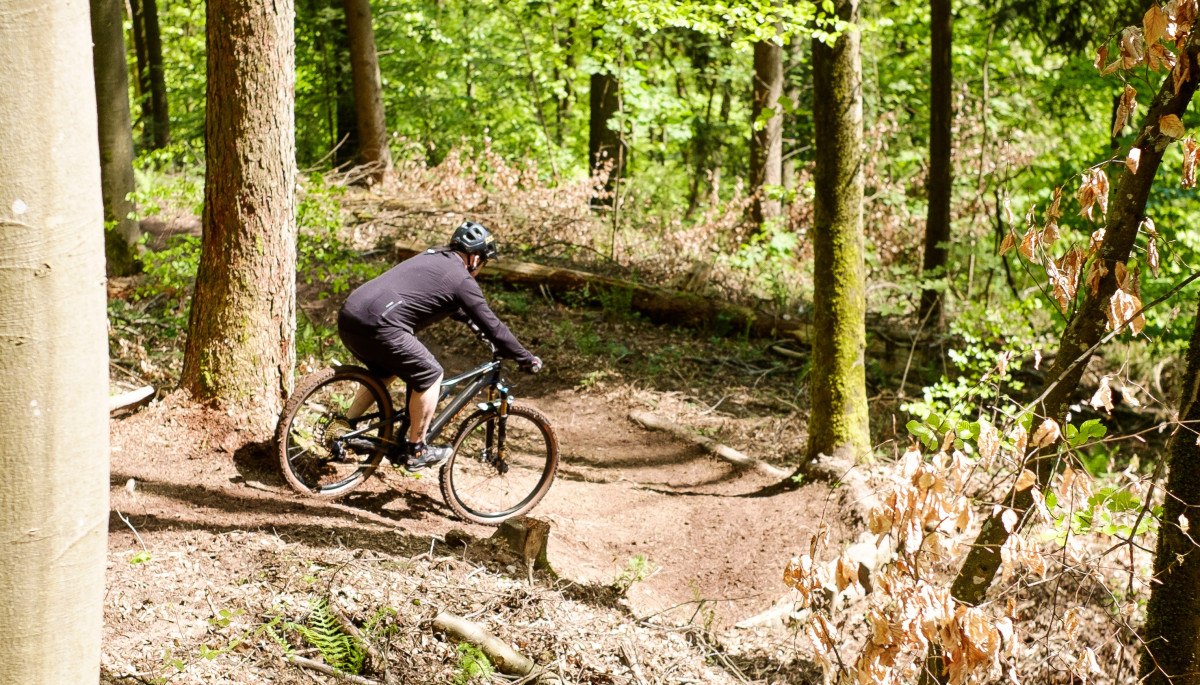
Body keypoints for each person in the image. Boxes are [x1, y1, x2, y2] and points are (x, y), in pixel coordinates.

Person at [337, 220, 542, 471]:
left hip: (350, 316)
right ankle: (417, 449)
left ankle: (342, 428)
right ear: (475, 259)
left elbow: (452, 304)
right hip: (381, 325)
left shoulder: (433, 256)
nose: (481, 269)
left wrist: (481, 332)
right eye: (484, 263)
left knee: (385, 372)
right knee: (430, 374)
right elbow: (493, 324)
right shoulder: (462, 279)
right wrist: (525, 356)